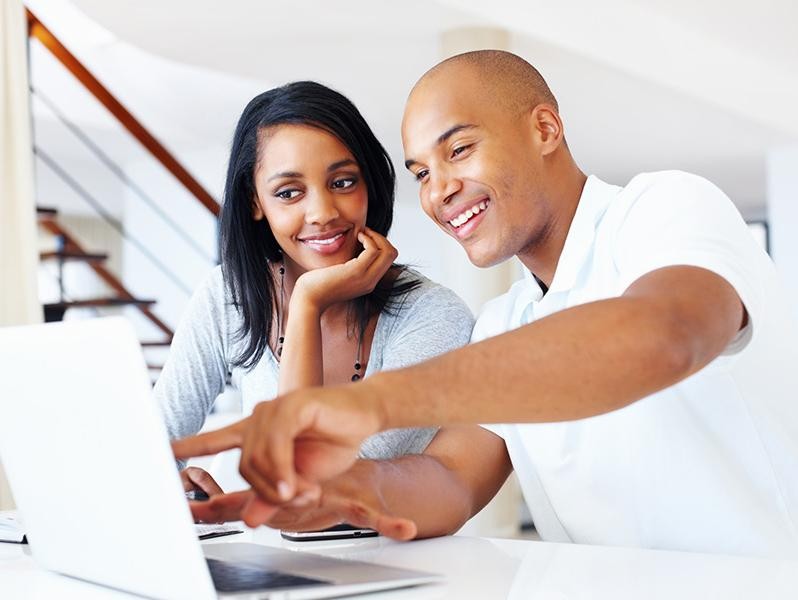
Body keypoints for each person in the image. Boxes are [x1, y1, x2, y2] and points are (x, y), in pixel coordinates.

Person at [172, 52, 798, 557]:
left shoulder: (664, 209)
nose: (440, 190)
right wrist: (334, 492)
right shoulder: (505, 323)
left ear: (545, 128)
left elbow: (663, 335)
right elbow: (447, 481)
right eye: (420, 172)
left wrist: (369, 405)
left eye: (460, 150)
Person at [156, 81, 473, 500]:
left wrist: (307, 301)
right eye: (289, 193)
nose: (322, 213)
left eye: (342, 182)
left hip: (393, 560)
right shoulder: (229, 295)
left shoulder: (434, 316)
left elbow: (313, 485)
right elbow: (151, 442)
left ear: (369, 185)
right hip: (270, 555)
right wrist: (161, 481)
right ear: (255, 202)